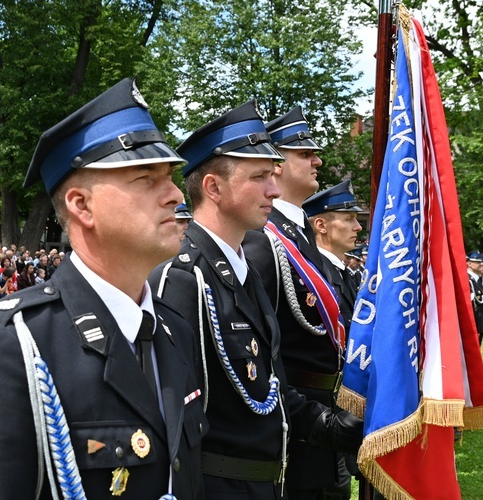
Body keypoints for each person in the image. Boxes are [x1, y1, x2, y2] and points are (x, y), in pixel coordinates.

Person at [0, 78, 207, 499]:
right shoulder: (10, 342)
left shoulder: (174, 331)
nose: (174, 194)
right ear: (82, 205)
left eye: (169, 177)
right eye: (146, 178)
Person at [151, 101, 361, 500]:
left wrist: (328, 426)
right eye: (260, 177)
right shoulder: (183, 277)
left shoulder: (242, 269)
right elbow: (175, 422)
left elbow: (269, 384)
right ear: (213, 187)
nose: (275, 189)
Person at [242, 107, 358, 499]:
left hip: (323, 414)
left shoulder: (297, 234)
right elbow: (260, 348)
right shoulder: (263, 239)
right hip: (298, 422)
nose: (317, 160)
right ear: (274, 165)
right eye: (304, 153)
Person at [303, 180, 364, 334]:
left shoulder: (342, 273)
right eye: (349, 219)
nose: (358, 227)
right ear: (321, 226)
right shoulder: (312, 273)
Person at [467, 251, 483, 345]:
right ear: (469, 263)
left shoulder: (477, 280)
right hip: (470, 326)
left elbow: (482, 306)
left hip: (478, 325)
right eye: (478, 262)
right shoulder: (466, 280)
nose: (482, 265)